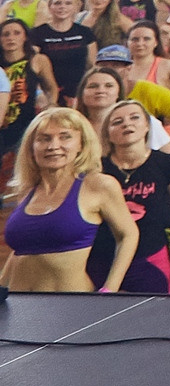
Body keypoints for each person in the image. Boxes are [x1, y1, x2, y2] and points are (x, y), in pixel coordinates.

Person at [2, 108, 135, 293]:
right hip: (19, 306)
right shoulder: (26, 191)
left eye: (65, 137)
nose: (53, 146)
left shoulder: (98, 185)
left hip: (71, 307)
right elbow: (21, 250)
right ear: (31, 147)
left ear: (81, 144)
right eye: (44, 139)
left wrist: (109, 291)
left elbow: (128, 235)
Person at [94, 96, 170, 293]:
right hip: (104, 255)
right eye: (117, 122)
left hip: (153, 254)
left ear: (147, 127)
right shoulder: (97, 168)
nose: (127, 124)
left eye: (135, 118)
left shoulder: (167, 164)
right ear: (107, 134)